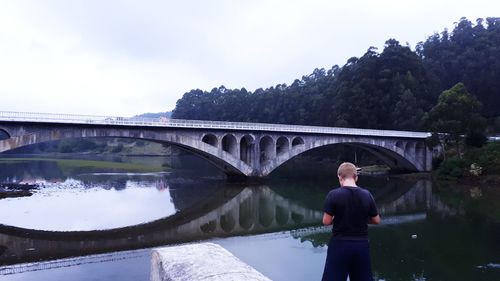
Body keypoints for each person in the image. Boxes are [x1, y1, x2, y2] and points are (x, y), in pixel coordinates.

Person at [321, 162, 381, 281]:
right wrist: (361, 218)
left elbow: (326, 221)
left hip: (339, 244)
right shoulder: (367, 195)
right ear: (356, 177)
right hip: (361, 245)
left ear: (339, 176)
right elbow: (377, 220)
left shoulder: (333, 195)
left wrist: (339, 218)